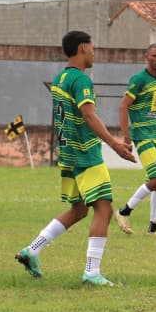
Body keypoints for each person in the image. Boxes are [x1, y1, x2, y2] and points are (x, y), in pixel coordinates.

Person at [15, 30, 137, 286]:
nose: (94, 52)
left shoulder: (61, 77)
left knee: (79, 209)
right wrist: (115, 145)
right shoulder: (81, 80)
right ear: (83, 48)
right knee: (104, 209)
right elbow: (89, 116)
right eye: (92, 47)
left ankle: (32, 250)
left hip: (68, 153)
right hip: (85, 153)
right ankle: (92, 272)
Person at [116, 43, 156, 236]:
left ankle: (153, 228)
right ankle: (123, 211)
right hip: (142, 135)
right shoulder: (139, 79)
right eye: (154, 55)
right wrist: (126, 136)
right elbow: (123, 106)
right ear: (146, 57)